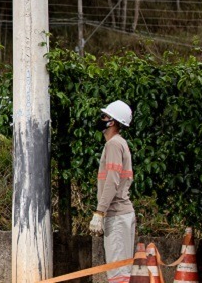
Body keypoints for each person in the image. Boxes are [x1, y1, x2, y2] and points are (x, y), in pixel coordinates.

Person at [88, 100, 135, 283]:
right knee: (122, 270)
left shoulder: (113, 145)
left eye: (105, 116)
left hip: (116, 215)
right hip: (122, 214)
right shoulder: (120, 143)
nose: (102, 119)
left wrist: (100, 212)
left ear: (112, 122)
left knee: (118, 273)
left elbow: (112, 181)